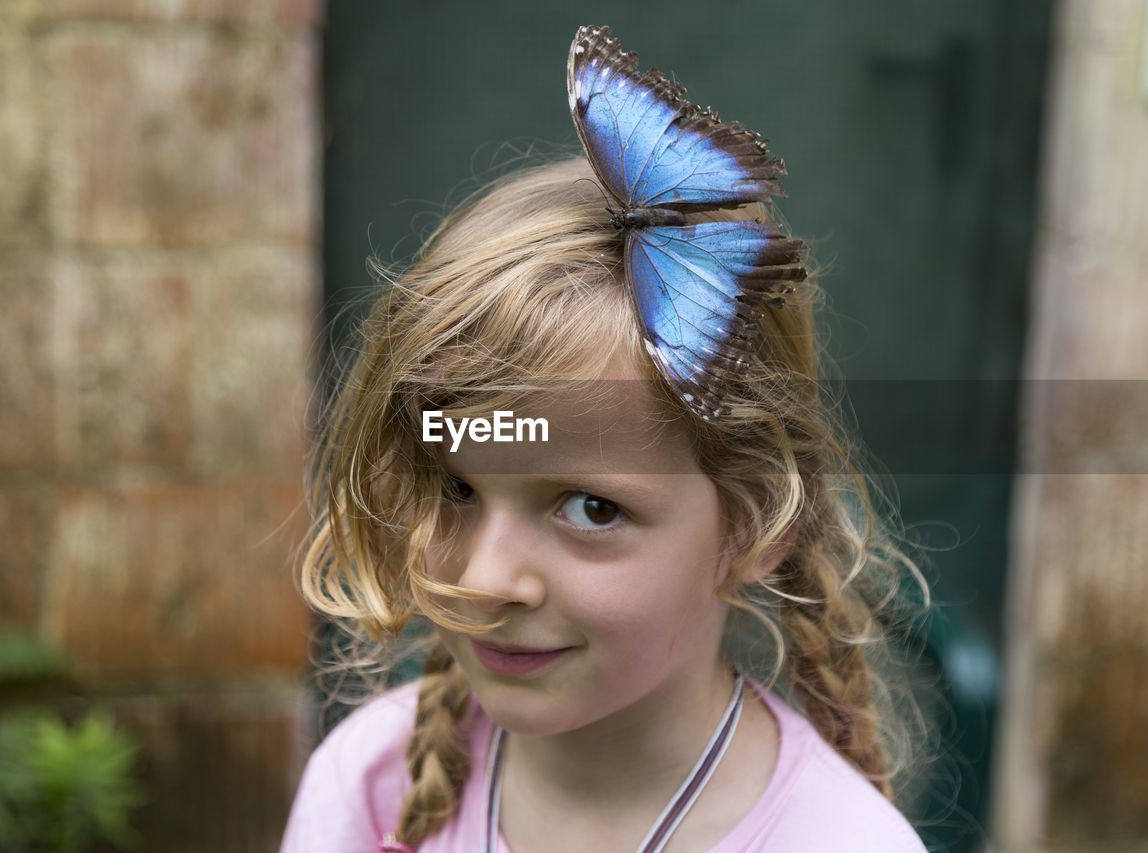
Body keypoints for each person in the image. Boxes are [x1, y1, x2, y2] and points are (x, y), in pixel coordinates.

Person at [280, 153, 930, 852]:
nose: (483, 580)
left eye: (590, 508)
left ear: (754, 521)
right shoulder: (367, 787)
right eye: (455, 487)